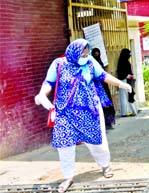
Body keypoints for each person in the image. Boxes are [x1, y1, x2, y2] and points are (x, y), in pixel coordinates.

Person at [34, 39, 132, 193]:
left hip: (90, 110)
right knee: (65, 145)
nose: (85, 57)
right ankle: (68, 177)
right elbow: (49, 82)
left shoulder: (90, 62)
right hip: (65, 111)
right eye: (82, 54)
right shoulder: (59, 64)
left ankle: (105, 166)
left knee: (97, 142)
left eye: (87, 54)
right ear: (73, 52)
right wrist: (42, 94)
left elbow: (103, 76)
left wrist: (121, 84)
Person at [91, 48, 116, 129]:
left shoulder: (100, 63)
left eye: (98, 54)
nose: (96, 55)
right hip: (97, 87)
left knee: (107, 104)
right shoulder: (91, 64)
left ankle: (108, 122)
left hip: (104, 86)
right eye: (95, 54)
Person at [117, 48, 138, 117]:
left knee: (129, 96)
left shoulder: (126, 62)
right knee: (124, 96)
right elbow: (120, 73)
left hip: (127, 81)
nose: (129, 55)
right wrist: (128, 76)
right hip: (123, 81)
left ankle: (131, 111)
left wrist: (130, 76)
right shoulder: (122, 63)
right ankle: (125, 112)